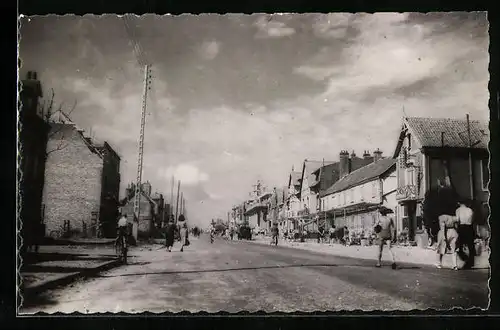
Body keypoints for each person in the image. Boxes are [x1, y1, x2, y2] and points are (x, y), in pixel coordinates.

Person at [456, 201, 475, 269]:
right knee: (471, 245)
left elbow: (457, 219)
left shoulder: (458, 210)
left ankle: (464, 258)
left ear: (459, 203)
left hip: (462, 227)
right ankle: (471, 262)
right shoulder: (470, 210)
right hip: (469, 227)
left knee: (459, 245)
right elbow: (472, 220)